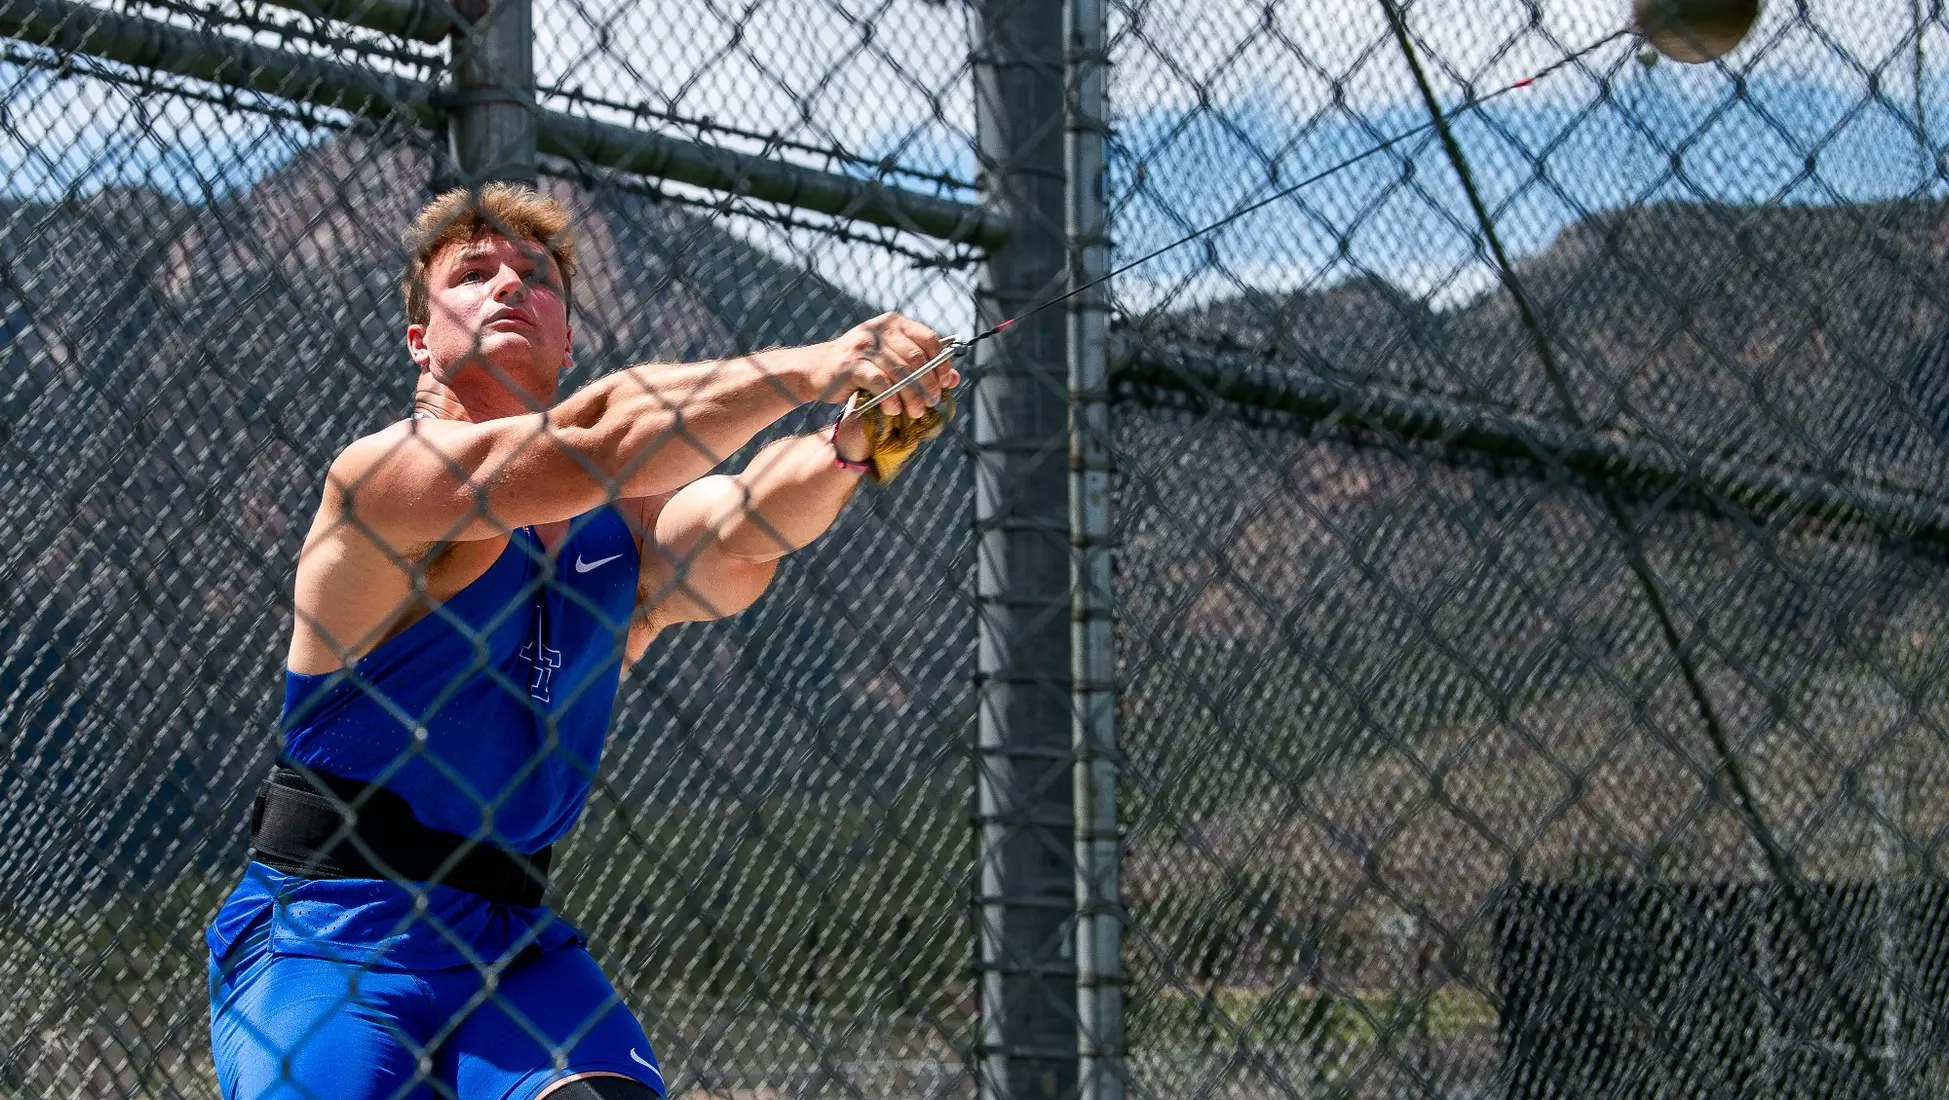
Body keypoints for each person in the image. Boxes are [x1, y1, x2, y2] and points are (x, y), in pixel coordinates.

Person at [204, 182, 959, 1099]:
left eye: (536, 277)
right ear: (419, 338)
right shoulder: (384, 481)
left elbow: (744, 526)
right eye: (472, 273)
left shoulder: (623, 539)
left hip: (510, 945)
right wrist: (820, 365)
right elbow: (595, 439)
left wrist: (855, 442)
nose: (508, 287)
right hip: (329, 927)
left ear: (565, 339)